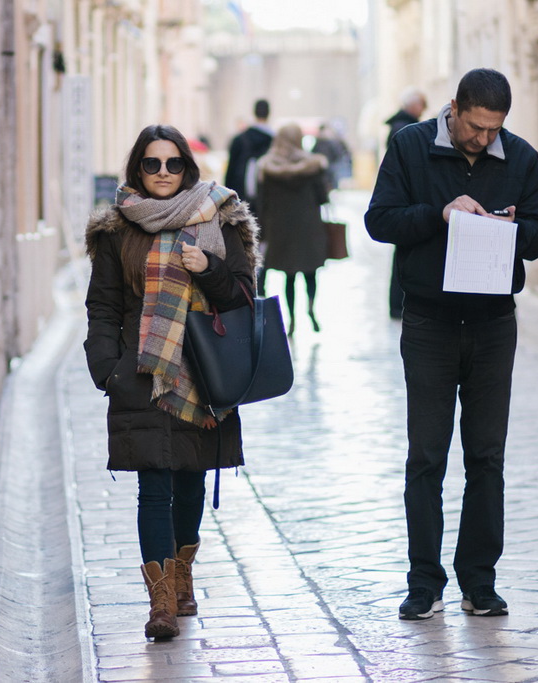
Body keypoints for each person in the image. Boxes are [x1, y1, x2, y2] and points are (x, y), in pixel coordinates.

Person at [365, 68, 538, 621]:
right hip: (429, 323)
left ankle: (480, 582)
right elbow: (379, 221)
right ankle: (424, 583)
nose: (483, 139)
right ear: (454, 108)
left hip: (494, 325)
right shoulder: (409, 146)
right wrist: (440, 214)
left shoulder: (521, 156)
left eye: (494, 129)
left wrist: (512, 228)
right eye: (475, 127)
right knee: (426, 457)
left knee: (487, 457)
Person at [84, 124, 259, 640]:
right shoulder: (117, 229)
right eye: (152, 163)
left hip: (203, 375)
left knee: (189, 482)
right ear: (137, 169)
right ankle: (161, 603)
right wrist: (107, 368)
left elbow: (244, 298)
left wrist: (209, 268)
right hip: (142, 374)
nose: (163, 172)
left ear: (187, 167)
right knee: (153, 487)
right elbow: (103, 305)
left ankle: (183, 579)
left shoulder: (220, 219)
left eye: (173, 163)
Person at [256, 122, 330, 336]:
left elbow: (262, 201)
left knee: (289, 276)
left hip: (280, 229)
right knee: (310, 272)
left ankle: (292, 320)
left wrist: (263, 230)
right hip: (309, 227)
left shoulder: (267, 167)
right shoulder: (313, 166)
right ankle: (311, 307)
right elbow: (322, 197)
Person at [384, 87, 428, 319]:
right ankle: (398, 304)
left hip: (404, 201)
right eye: (421, 105)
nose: (423, 109)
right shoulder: (405, 130)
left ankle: (398, 304)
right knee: (405, 256)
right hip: (406, 202)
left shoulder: (401, 126)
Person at [225, 99, 273, 292]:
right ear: (268, 113)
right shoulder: (274, 141)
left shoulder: (240, 140)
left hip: (241, 200)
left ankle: (246, 282)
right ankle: (262, 282)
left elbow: (229, 174)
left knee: (242, 242)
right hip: (266, 203)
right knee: (264, 242)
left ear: (254, 112)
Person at [312, 122, 352, 191]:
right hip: (322, 168)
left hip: (331, 166)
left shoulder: (331, 142)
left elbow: (337, 154)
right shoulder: (318, 142)